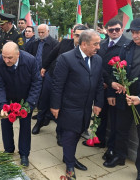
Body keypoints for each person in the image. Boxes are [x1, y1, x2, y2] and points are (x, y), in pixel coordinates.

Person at [103, 18, 140, 180]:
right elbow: (117, 70)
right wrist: (115, 90)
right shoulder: (126, 48)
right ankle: (120, 156)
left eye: (138, 33)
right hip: (125, 98)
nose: (135, 36)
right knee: (121, 129)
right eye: (132, 32)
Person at [51, 30, 104, 179]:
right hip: (69, 106)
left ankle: (70, 157)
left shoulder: (98, 60)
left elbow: (99, 83)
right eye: (95, 44)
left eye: (98, 44)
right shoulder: (66, 59)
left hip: (86, 106)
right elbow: (57, 85)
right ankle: (69, 164)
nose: (98, 47)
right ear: (84, 44)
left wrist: (98, 103)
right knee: (69, 135)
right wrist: (55, 106)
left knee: (78, 133)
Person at [82, 19, 130, 161]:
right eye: (110, 30)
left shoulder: (127, 46)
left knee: (115, 122)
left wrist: (109, 86)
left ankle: (112, 148)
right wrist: (102, 81)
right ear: (106, 30)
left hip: (116, 91)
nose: (114, 32)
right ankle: (99, 140)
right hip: (101, 86)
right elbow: (98, 64)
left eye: (117, 29)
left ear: (122, 29)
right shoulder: (101, 44)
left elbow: (123, 70)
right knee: (100, 116)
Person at [0, 42, 41, 167]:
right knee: (5, 123)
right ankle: (8, 150)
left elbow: (36, 83)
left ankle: (24, 154)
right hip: (8, 98)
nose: (6, 60)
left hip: (25, 98)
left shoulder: (30, 60)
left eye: (10, 58)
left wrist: (29, 104)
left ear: (18, 54)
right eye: (4, 57)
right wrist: (2, 104)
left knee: (25, 126)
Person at [39, 24, 88, 142]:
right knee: (44, 100)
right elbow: (52, 55)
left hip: (69, 83)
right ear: (73, 34)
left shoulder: (87, 49)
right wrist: (44, 67)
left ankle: (60, 132)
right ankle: (39, 123)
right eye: (77, 35)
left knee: (62, 108)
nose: (79, 38)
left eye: (81, 36)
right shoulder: (65, 43)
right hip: (52, 76)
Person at [0, 13, 25, 115]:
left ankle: (7, 107)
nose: (0, 26)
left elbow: (21, 51)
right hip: (0, 64)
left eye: (2, 24)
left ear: (9, 23)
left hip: (9, 66)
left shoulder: (17, 34)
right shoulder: (1, 31)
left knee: (6, 87)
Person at [26, 24, 58, 135]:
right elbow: (29, 56)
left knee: (45, 97)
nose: (40, 34)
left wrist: (47, 70)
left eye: (42, 32)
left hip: (48, 74)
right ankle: (41, 115)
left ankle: (43, 119)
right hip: (35, 73)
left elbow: (56, 60)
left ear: (48, 31)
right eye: (38, 32)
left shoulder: (54, 44)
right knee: (38, 95)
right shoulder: (34, 43)